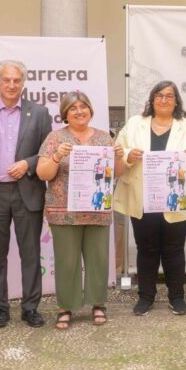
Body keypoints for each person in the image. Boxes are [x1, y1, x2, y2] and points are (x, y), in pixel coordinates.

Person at [116, 81, 186, 316]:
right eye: (159, 95)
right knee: (146, 249)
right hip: (142, 197)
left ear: (177, 101)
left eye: (169, 96)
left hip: (174, 199)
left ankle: (176, 296)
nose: (164, 100)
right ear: (152, 99)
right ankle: (146, 296)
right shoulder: (135, 123)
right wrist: (129, 154)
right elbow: (118, 150)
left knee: (174, 249)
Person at [0, 60, 53, 330]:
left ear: (23, 82)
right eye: (6, 80)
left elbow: (47, 151)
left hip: (27, 192)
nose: (11, 85)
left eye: (16, 80)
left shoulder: (39, 113)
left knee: (31, 253)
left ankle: (30, 307)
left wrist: (28, 164)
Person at [36, 92, 124, 329]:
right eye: (72, 108)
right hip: (64, 211)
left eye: (83, 106)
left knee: (98, 259)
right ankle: (66, 307)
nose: (78, 111)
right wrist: (56, 156)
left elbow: (118, 172)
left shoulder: (105, 138)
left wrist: (119, 157)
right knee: (67, 261)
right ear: (65, 113)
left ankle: (98, 304)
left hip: (97, 208)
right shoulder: (55, 138)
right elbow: (43, 173)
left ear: (90, 110)